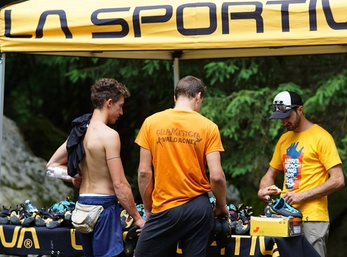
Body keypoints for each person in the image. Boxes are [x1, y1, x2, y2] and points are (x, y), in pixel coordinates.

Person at [47, 78, 145, 257]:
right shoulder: (109, 136)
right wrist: (138, 219)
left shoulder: (79, 133)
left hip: (83, 207)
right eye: (120, 106)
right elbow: (120, 184)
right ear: (109, 103)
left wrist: (72, 177)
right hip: (103, 209)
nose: (121, 112)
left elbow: (50, 167)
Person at [133, 75, 228, 257]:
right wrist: (221, 205)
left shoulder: (151, 123)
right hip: (198, 210)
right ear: (198, 97)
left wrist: (148, 209)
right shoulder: (209, 127)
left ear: (175, 98)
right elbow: (216, 176)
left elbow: (144, 173)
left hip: (165, 206)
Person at [257, 90, 345, 257]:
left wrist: (301, 196)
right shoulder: (284, 139)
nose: (284, 121)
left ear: (300, 110)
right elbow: (269, 175)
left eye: (287, 116)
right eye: (280, 118)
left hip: (313, 218)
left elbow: (338, 180)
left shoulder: (321, 137)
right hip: (284, 218)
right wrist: (264, 189)